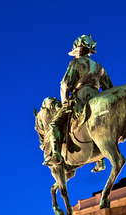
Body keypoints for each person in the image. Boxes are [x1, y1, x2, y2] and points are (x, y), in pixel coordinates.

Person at [48, 35, 113, 171]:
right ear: (89, 51)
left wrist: (65, 102)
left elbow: (65, 85)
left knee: (54, 124)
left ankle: (56, 155)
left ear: (77, 50)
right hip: (98, 98)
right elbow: (109, 89)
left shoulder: (75, 63)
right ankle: (100, 159)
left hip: (80, 98)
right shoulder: (99, 67)